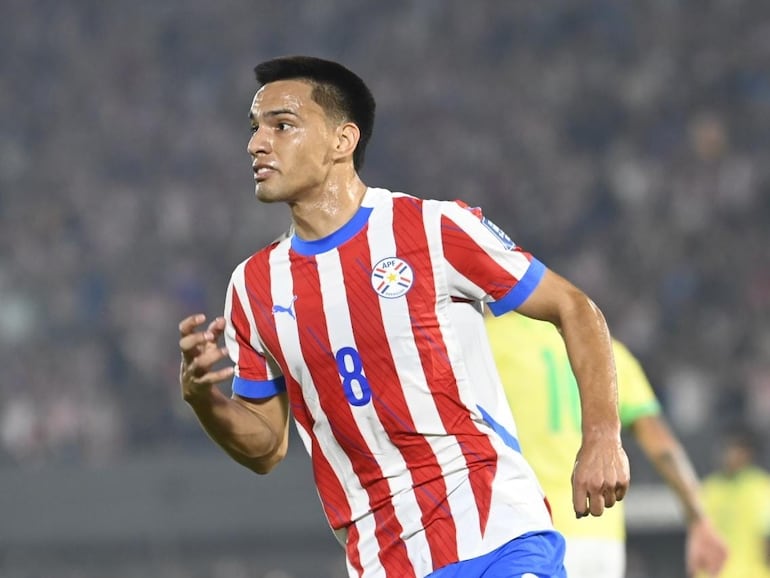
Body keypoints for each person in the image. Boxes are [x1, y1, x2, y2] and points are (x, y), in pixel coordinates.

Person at [177, 55, 630, 578]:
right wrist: (203, 399)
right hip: (382, 559)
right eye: (255, 128)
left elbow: (574, 307)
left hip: (496, 531)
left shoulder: (434, 229)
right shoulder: (253, 287)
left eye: (282, 125)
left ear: (342, 141)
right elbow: (265, 446)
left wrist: (601, 436)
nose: (257, 143)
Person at [485, 312, 728, 578]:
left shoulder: (488, 339)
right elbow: (662, 445)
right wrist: (699, 520)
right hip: (602, 542)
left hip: (529, 536)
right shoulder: (608, 348)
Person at [697, 427, 770, 578]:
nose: (728, 455)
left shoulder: (762, 487)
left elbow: (766, 540)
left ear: (748, 453)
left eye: (734, 449)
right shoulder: (709, 489)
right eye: (725, 449)